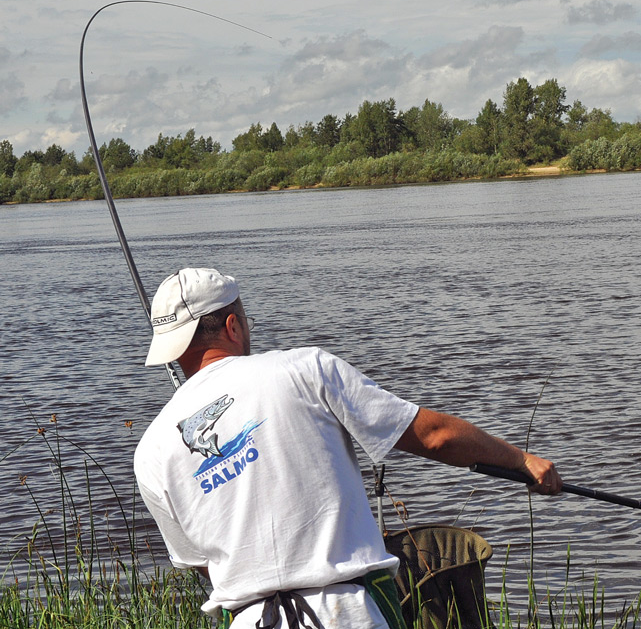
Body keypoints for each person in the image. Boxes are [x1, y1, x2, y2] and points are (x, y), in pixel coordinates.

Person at [134, 267, 562, 629]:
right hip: (346, 612)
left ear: (171, 351)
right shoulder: (304, 369)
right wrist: (521, 460)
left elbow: (203, 563)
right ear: (233, 325)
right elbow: (435, 436)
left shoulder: (150, 451)